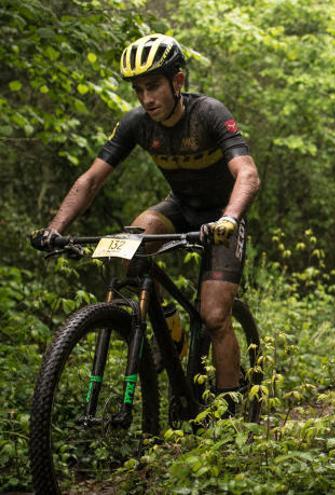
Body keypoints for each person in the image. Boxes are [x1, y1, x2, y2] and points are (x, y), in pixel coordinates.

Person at [30, 34, 260, 397]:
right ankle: (172, 333)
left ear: (178, 81)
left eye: (153, 86)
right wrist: (55, 229)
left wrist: (229, 219)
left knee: (215, 317)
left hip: (221, 216)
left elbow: (247, 174)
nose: (146, 98)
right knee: (130, 241)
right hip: (179, 206)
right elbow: (90, 180)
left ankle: (229, 410)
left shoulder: (210, 114)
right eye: (138, 89)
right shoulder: (136, 123)